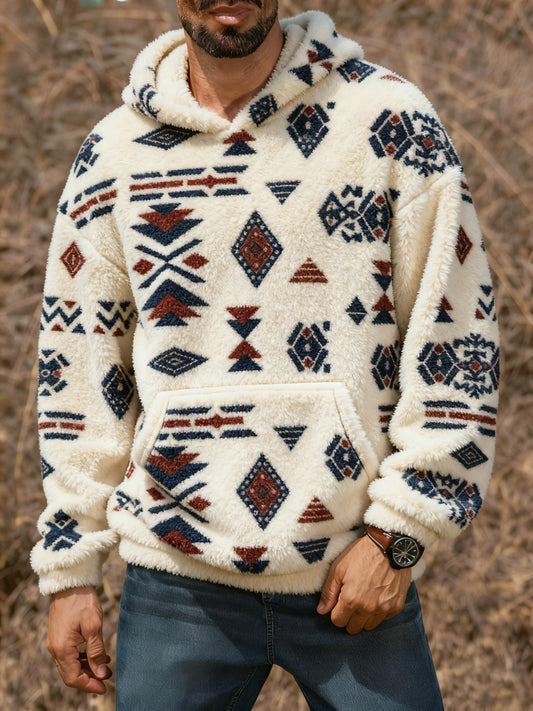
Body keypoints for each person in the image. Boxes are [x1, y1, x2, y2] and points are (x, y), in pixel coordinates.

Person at [32, 1, 500, 709]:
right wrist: (71, 568)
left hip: (355, 568)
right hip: (177, 581)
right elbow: (79, 370)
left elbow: (458, 331)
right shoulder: (114, 153)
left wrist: (401, 535)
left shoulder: (388, 121)